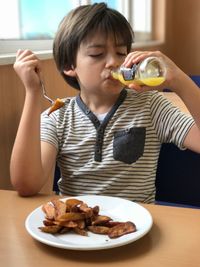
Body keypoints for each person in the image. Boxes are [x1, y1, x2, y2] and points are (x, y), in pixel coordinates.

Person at [10, 3, 200, 203]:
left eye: (121, 53)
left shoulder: (151, 106)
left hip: (136, 225)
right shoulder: (58, 117)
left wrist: (179, 79)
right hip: (78, 227)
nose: (113, 62)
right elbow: (27, 184)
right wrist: (32, 92)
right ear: (69, 65)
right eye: (97, 54)